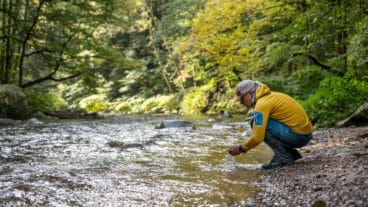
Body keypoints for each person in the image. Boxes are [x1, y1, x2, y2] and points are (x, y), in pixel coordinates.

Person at [228, 80, 313, 169]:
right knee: (259, 123)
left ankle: (283, 157)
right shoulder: (272, 96)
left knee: (254, 123)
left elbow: (258, 137)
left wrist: (241, 148)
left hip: (298, 137)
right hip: (304, 134)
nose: (241, 102)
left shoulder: (262, 104)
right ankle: (291, 154)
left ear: (249, 93)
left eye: (241, 99)